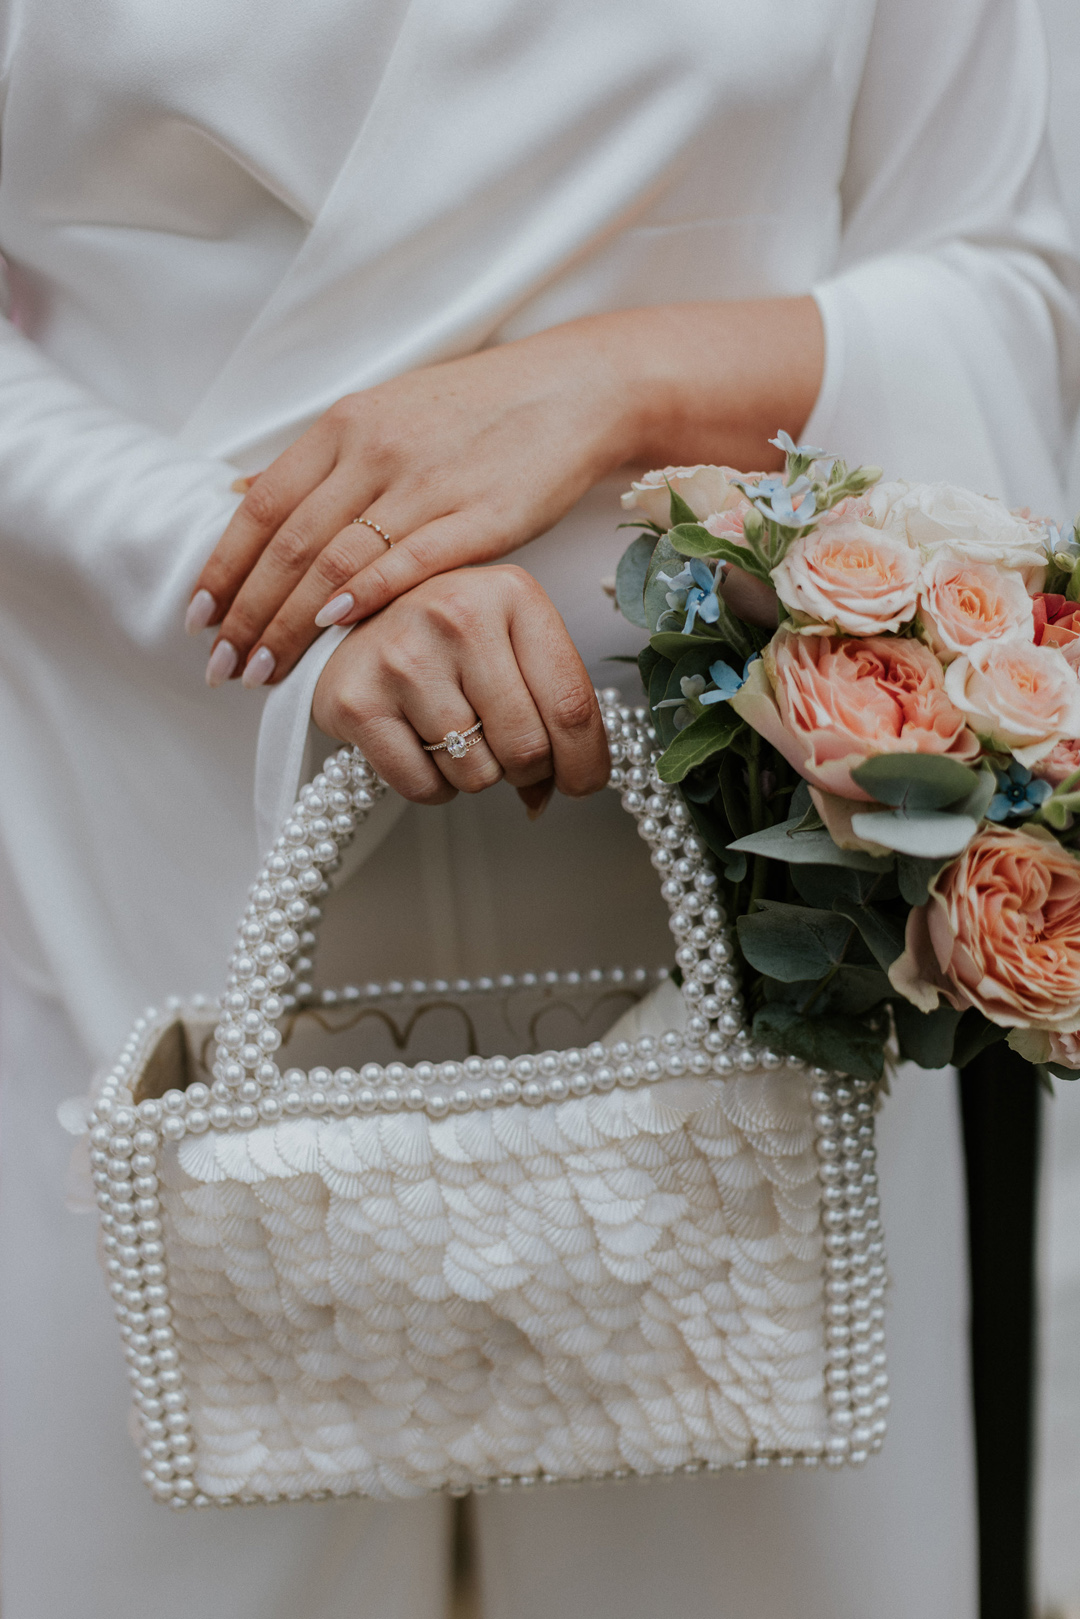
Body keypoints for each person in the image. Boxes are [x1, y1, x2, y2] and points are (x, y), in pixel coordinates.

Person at [0, 0, 1076, 1616]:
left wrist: (610, 386)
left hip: (735, 868)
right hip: (151, 797)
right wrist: (247, 573)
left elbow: (1014, 272)